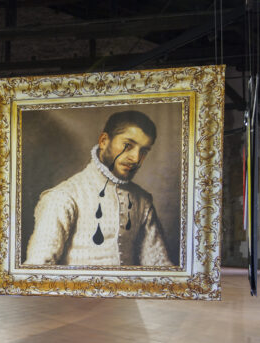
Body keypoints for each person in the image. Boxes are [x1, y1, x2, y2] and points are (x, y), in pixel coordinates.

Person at [24, 110, 173, 267]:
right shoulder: (63, 196)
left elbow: (159, 266)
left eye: (144, 151)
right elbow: (37, 270)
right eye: (128, 145)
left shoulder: (142, 201)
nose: (136, 158)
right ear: (103, 141)